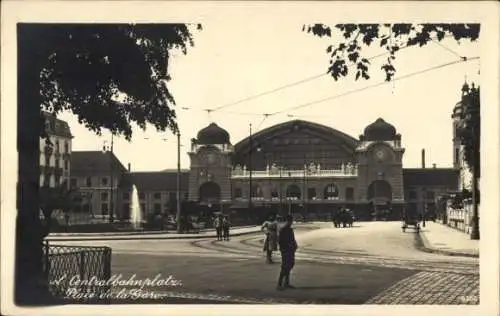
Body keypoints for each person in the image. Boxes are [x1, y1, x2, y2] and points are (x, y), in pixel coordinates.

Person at [277, 214, 298, 290]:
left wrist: (295, 245)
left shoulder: (289, 229)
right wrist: (286, 247)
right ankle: (279, 284)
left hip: (291, 250)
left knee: (290, 265)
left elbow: (292, 239)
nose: (291, 222)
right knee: (285, 266)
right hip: (286, 250)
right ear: (287, 221)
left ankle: (286, 283)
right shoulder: (283, 229)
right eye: (290, 221)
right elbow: (280, 241)